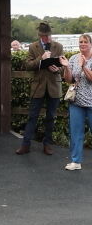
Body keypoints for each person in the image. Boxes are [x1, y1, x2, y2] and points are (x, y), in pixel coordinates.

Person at [18, 21, 66, 155]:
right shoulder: (33, 47)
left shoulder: (59, 46)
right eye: (45, 36)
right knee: (32, 116)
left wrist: (57, 69)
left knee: (50, 117)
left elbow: (63, 67)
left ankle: (47, 145)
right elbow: (28, 65)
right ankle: (25, 145)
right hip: (38, 87)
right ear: (40, 36)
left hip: (54, 87)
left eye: (49, 35)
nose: (48, 38)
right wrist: (41, 58)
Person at [63, 33, 92, 170]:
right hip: (76, 102)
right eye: (80, 42)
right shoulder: (74, 58)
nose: (82, 44)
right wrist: (67, 67)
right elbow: (69, 80)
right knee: (75, 132)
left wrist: (84, 66)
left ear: (90, 44)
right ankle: (76, 161)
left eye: (85, 42)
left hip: (91, 103)